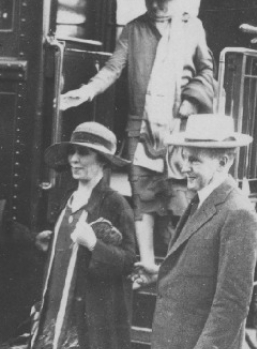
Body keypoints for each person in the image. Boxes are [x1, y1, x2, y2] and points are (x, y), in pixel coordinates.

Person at [60, 0, 215, 288]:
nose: (157, 4)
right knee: (143, 199)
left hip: (178, 130)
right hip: (141, 130)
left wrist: (191, 102)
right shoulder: (133, 30)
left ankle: (176, 272)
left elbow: (207, 71)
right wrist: (86, 91)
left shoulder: (192, 27)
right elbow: (113, 67)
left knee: (179, 198)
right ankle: (147, 266)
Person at [135, 114, 257, 349]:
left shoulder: (237, 213)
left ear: (225, 160)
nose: (185, 166)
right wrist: (159, 275)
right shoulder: (202, 199)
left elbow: (233, 301)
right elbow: (195, 270)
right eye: (185, 156)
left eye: (195, 159)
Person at [29, 122, 136, 349]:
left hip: (82, 325)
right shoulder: (70, 199)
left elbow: (128, 260)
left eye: (83, 153)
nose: (75, 159)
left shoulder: (114, 203)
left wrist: (94, 245)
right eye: (73, 152)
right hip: (55, 319)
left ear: (102, 161)